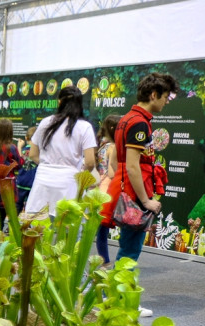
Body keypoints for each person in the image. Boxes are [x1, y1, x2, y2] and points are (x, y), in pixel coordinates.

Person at [101, 72, 179, 313]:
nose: (167, 101)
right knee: (129, 250)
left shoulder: (128, 118)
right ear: (153, 95)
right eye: (165, 97)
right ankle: (119, 301)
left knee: (127, 248)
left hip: (128, 190)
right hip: (135, 194)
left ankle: (111, 296)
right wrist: (146, 200)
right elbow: (133, 165)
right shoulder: (139, 122)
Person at [23, 86, 97, 217]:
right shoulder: (85, 127)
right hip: (69, 182)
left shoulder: (46, 122)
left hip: (43, 181)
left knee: (39, 228)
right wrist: (78, 174)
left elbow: (33, 154)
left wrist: (48, 165)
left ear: (59, 102)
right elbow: (90, 162)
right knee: (67, 229)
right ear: (80, 104)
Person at [94, 114, 121, 267]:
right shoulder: (113, 147)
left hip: (98, 188)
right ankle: (105, 263)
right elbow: (112, 172)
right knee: (103, 231)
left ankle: (103, 261)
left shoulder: (102, 146)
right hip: (108, 190)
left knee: (100, 231)